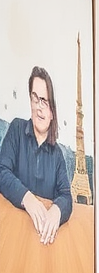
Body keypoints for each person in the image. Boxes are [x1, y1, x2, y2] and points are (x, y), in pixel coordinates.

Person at [0, 67, 72, 245]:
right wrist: (27, 198)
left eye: (45, 101)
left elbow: (66, 196)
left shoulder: (58, 156)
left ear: (52, 113)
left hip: (41, 241)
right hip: (11, 232)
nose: (39, 107)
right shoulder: (16, 128)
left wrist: (57, 210)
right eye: (35, 98)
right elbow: (2, 171)